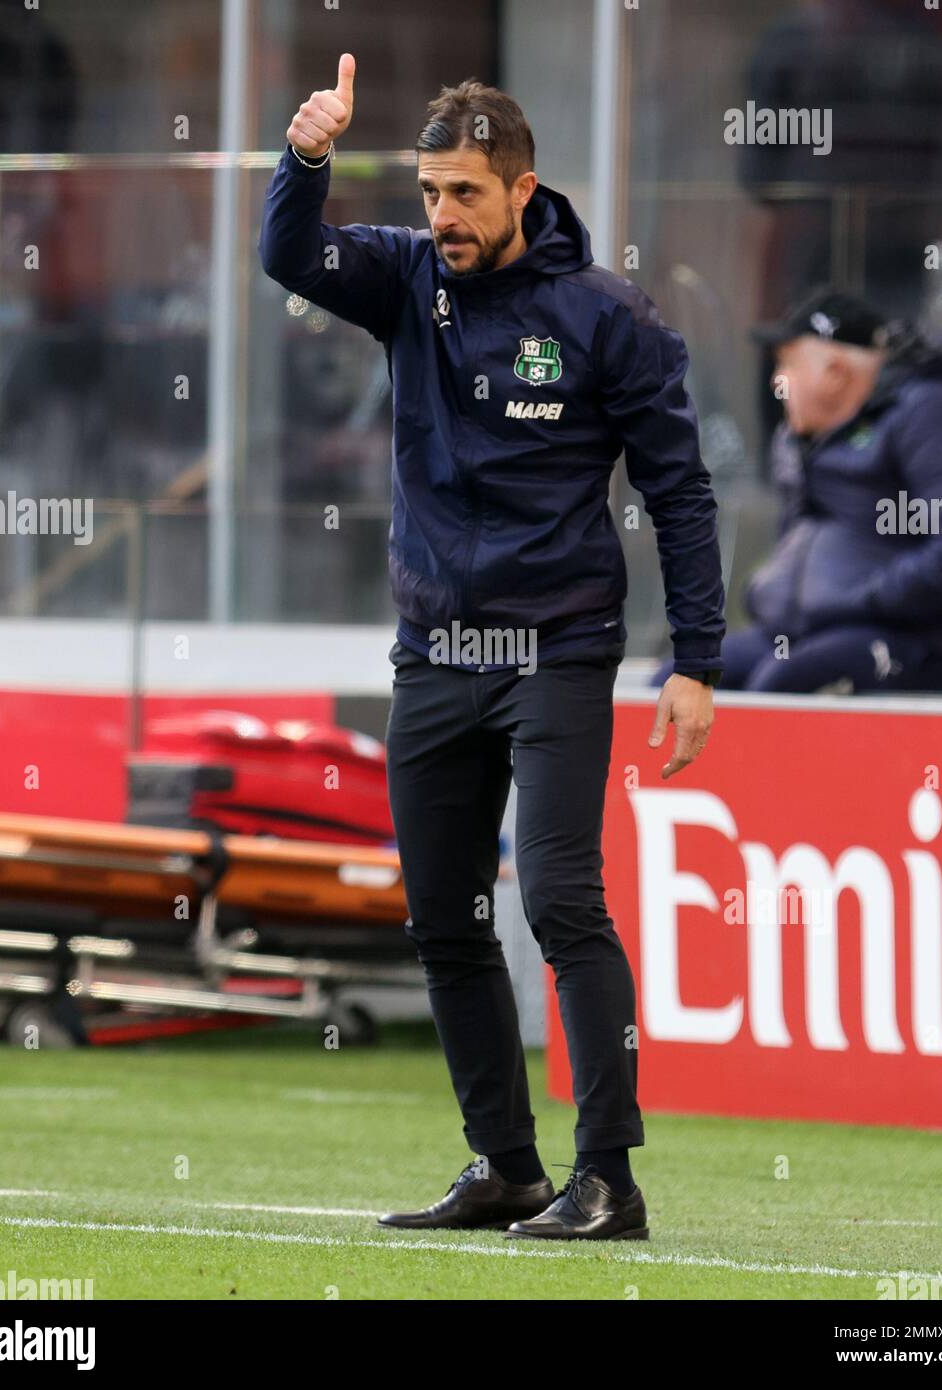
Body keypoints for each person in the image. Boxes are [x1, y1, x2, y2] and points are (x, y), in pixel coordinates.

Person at [259, 57, 727, 1240]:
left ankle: (609, 1177)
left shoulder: (607, 317)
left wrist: (697, 658)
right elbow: (291, 258)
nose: (441, 217)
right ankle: (506, 1165)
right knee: (445, 917)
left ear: (523, 190)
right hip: (432, 656)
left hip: (557, 653)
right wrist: (305, 160)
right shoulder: (410, 278)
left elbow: (680, 493)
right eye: (426, 191)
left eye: (464, 193)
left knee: (564, 902)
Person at [652, 289, 942, 695]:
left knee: (784, 686)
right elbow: (798, 541)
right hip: (809, 632)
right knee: (676, 684)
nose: (776, 381)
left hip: (927, 645)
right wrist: (771, 591)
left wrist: (854, 601)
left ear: (836, 371)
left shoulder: (935, 415)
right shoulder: (798, 436)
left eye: (787, 362)